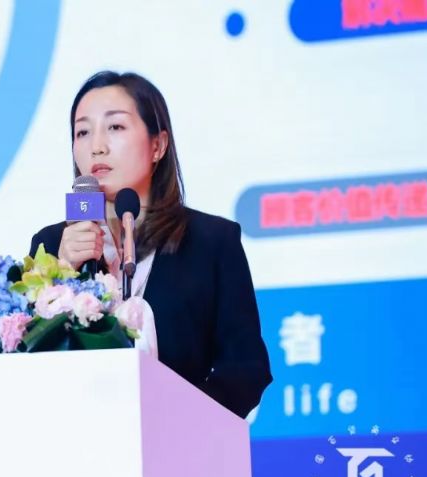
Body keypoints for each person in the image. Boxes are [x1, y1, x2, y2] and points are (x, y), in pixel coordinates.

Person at [29, 71, 272, 419]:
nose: (97, 145)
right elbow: (28, 363)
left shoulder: (212, 241)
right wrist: (61, 273)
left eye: (115, 127)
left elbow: (246, 369)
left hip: (184, 439)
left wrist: (177, 420)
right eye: (82, 132)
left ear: (157, 145)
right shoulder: (51, 245)